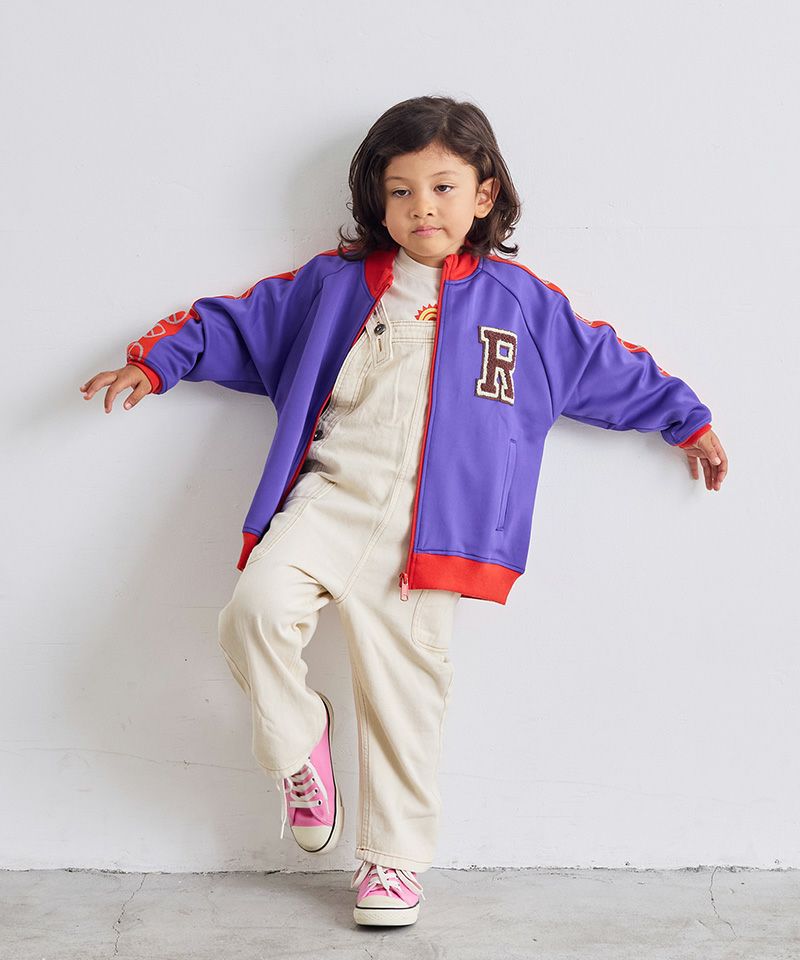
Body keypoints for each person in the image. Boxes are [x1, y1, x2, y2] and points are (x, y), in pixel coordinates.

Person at [79, 94, 728, 928]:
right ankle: (297, 741)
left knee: (404, 700)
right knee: (253, 613)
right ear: (377, 201)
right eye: (401, 190)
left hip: (431, 532)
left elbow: (608, 363)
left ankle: (392, 863)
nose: (423, 207)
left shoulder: (519, 303)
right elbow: (233, 324)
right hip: (330, 498)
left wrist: (686, 419)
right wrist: (155, 362)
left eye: (444, 187)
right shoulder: (337, 284)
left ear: (484, 196)